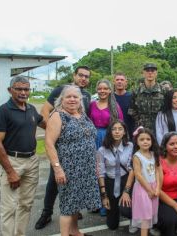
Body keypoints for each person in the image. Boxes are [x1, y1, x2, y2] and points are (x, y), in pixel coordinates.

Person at [35, 66, 92, 229]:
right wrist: (53, 132)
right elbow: (44, 111)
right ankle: (46, 213)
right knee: (55, 180)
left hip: (79, 148)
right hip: (63, 148)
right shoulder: (61, 90)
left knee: (75, 181)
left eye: (86, 76)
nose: (83, 78)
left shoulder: (86, 95)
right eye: (80, 75)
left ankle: (74, 210)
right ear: (74, 75)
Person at [0, 76, 45, 236]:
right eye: (19, 89)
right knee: (9, 207)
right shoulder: (3, 111)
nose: (23, 92)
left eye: (26, 89)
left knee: (26, 204)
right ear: (10, 90)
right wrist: (10, 171)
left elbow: (46, 124)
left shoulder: (31, 109)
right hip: (13, 162)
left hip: (32, 161)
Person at [45, 85, 101, 236]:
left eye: (75, 97)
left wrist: (95, 165)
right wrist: (57, 169)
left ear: (80, 100)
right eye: (68, 97)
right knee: (68, 205)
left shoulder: (82, 114)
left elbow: (90, 139)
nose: (72, 99)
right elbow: (49, 144)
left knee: (77, 203)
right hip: (69, 169)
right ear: (61, 99)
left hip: (86, 168)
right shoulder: (57, 116)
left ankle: (75, 231)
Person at [96, 121, 134, 230]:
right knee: (112, 225)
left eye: (120, 129)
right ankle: (114, 212)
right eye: (114, 129)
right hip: (110, 182)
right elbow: (100, 173)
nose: (117, 132)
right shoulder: (102, 150)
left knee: (126, 210)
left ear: (124, 132)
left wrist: (126, 191)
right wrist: (104, 195)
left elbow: (132, 169)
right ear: (110, 132)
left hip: (126, 180)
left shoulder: (130, 146)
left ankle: (133, 218)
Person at [131, 127, 160, 236]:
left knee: (150, 214)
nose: (145, 142)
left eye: (148, 139)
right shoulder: (137, 156)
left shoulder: (153, 154)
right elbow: (138, 175)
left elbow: (157, 171)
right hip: (143, 188)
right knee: (145, 217)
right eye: (142, 139)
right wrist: (149, 190)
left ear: (152, 141)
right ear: (137, 142)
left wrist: (157, 188)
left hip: (153, 187)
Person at [128, 63, 165, 133]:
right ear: (143, 73)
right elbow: (132, 110)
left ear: (156, 73)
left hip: (160, 128)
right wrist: (139, 122)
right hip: (142, 129)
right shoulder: (136, 91)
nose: (150, 73)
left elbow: (167, 109)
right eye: (147, 71)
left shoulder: (163, 90)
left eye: (152, 71)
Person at [89, 79, 123, 150]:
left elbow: (120, 124)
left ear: (110, 90)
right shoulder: (92, 104)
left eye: (105, 89)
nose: (102, 91)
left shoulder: (115, 106)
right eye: (99, 89)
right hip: (92, 138)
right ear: (97, 90)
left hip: (109, 137)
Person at [156, 89, 177, 156]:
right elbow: (159, 133)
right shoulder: (161, 114)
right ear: (169, 99)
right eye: (174, 98)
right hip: (166, 149)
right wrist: (164, 150)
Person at [113, 72, 135, 138]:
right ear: (114, 82)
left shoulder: (132, 97)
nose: (119, 82)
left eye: (122, 80)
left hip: (129, 132)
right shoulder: (110, 97)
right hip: (114, 132)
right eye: (117, 80)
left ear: (126, 82)